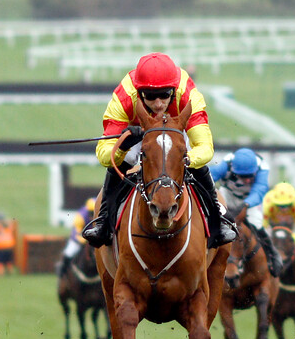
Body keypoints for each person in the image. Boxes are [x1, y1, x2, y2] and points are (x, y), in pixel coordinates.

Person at [81, 52, 237, 249]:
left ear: (173, 90)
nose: (158, 103)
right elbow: (104, 154)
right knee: (125, 159)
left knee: (188, 157)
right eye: (151, 96)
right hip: (139, 136)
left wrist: (185, 160)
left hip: (176, 136)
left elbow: (205, 148)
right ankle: (103, 220)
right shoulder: (124, 97)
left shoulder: (189, 95)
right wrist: (123, 143)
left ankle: (217, 219)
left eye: (164, 95)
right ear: (139, 92)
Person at [211, 147, 282, 277]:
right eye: (243, 176)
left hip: (250, 199)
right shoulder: (227, 163)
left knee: (257, 224)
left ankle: (272, 254)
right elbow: (211, 176)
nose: (247, 180)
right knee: (213, 220)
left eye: (250, 176)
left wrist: (246, 204)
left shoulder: (262, 167)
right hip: (228, 195)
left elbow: (260, 189)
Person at [56, 198, 95, 278]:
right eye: (91, 213)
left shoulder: (101, 214)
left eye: (95, 212)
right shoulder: (80, 216)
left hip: (95, 238)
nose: (93, 216)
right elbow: (76, 233)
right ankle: (63, 270)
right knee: (69, 252)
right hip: (80, 239)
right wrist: (85, 240)